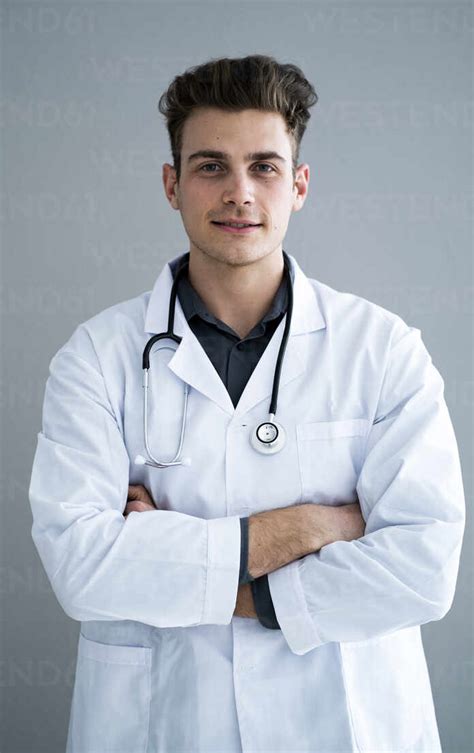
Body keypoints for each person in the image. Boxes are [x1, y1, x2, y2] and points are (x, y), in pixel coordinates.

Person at [28, 55, 465, 753]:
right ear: (172, 185)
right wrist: (308, 525)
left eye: (264, 166)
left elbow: (423, 566)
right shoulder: (96, 357)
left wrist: (190, 570)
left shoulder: (383, 350)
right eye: (210, 166)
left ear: (299, 185)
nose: (239, 192)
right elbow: (81, 565)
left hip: (347, 724)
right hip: (164, 722)